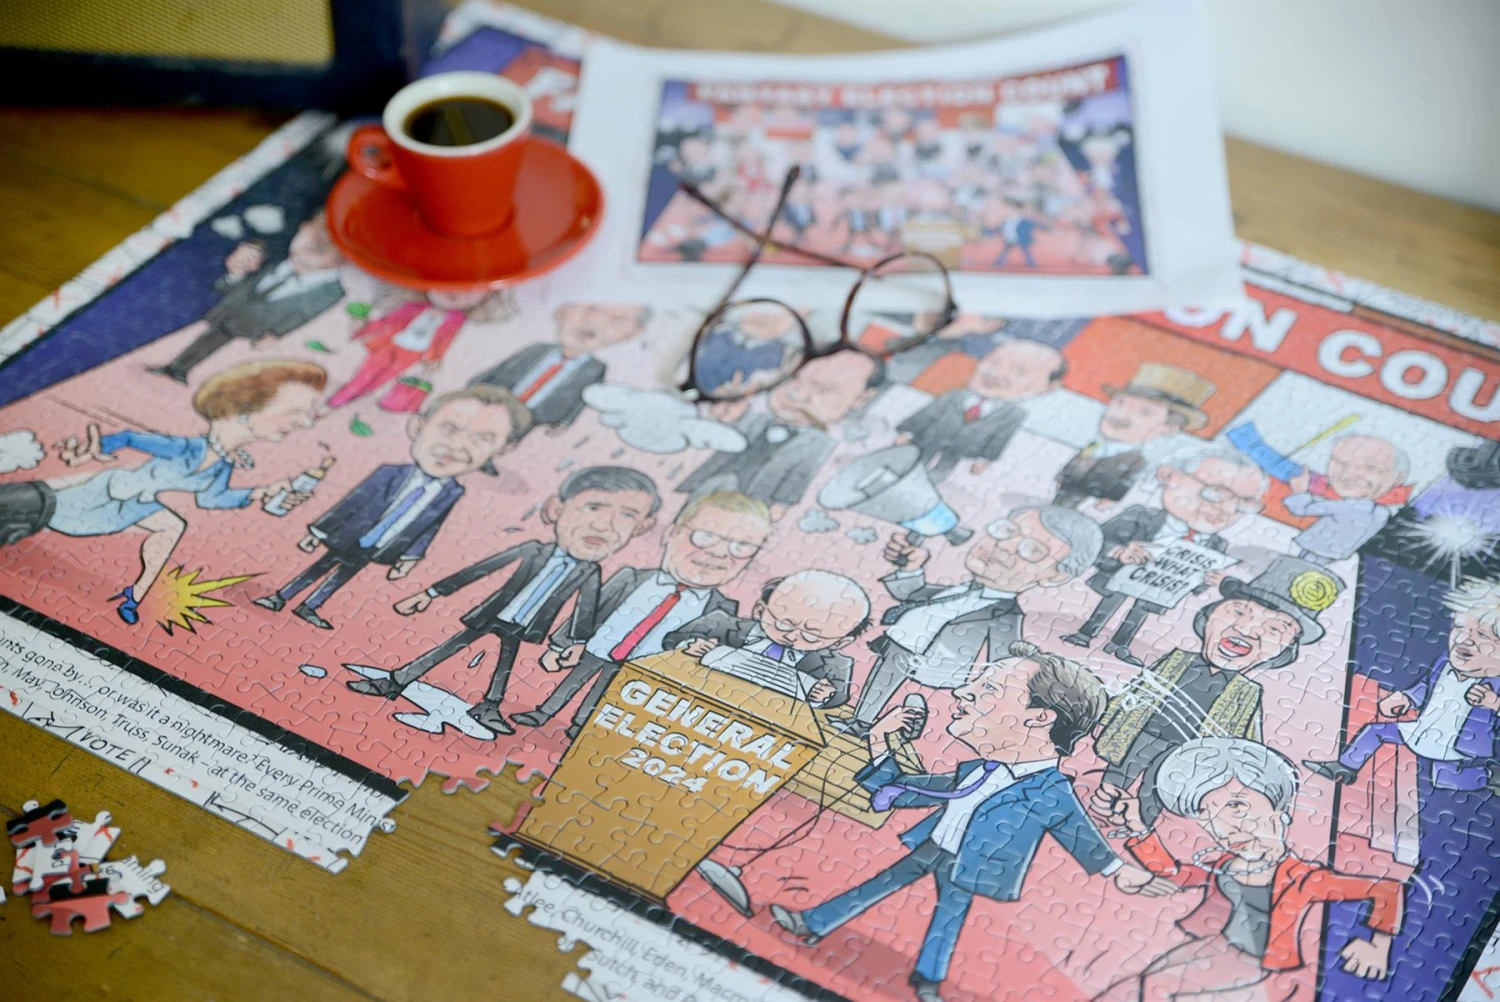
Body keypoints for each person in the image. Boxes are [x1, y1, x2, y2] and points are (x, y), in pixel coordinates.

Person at [771, 642, 1172, 1002]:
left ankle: (928, 981)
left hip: (974, 863)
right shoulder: (974, 769)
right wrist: (879, 740)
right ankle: (813, 923)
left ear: (1039, 717)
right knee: (881, 885)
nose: (963, 693)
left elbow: (1079, 834)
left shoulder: (1051, 790)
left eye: (989, 688)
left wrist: (1117, 870)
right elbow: (903, 790)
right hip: (934, 846)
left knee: (949, 917)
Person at [346, 466, 662, 737]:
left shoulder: (590, 572)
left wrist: (570, 645)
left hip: (526, 625)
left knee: (505, 663)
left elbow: (585, 612)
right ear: (556, 509)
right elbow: (479, 571)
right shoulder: (532, 550)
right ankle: (395, 681)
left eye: (627, 515)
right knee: (449, 647)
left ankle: (489, 707)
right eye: (593, 507)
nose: (603, 525)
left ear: (641, 528)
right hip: (493, 613)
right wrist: (430, 593)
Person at [1095, 739, 1403, 1001]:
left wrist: (1378, 946)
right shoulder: (1224, 864)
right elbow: (1176, 874)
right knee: (1140, 985)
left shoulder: (1303, 878)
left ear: (1277, 805)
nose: (1223, 827)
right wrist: (1137, 825)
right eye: (1207, 815)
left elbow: (1387, 889)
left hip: (1260, 961)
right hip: (1220, 944)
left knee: (1159, 990)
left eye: (1236, 805)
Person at [32, 359, 326, 624]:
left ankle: (134, 597)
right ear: (245, 410)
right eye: (296, 412)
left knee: (172, 527)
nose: (307, 422)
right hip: (110, 491)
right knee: (45, 511)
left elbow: (211, 498)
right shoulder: (187, 447)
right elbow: (129, 438)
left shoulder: (222, 465)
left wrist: (259, 493)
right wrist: (95, 448)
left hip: (138, 503)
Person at [1091, 555, 1343, 826]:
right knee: (1116, 775)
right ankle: (1101, 810)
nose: (1247, 630)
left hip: (1187, 755)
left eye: (1274, 628)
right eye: (1238, 612)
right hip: (1142, 734)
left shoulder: (1247, 691)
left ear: (1285, 649)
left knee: (1157, 791)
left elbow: (1246, 738)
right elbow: (1137, 691)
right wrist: (1108, 717)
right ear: (1209, 615)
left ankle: (1140, 824)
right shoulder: (1176, 658)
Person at [254, 385, 531, 629]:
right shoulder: (389, 472)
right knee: (319, 567)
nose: (457, 445)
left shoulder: (453, 492)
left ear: (503, 450)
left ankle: (310, 606)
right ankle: (281, 596)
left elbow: (430, 527)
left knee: (343, 576)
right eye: (449, 429)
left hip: (382, 546)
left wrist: (410, 557)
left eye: (482, 439)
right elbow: (351, 503)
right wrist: (318, 532)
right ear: (417, 426)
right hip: (349, 534)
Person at [511, 491, 772, 739]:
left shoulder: (723, 610)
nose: (718, 552)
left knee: (604, 694)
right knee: (572, 681)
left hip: (642, 670)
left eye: (742, 546)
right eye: (705, 536)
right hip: (598, 648)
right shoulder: (631, 577)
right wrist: (562, 644)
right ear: (671, 533)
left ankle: (580, 726)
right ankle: (543, 712)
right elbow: (589, 612)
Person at [836, 505, 1104, 737]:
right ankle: (861, 722)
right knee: (878, 685)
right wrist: (911, 569)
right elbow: (916, 595)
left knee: (930, 710)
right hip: (901, 643)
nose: (1004, 546)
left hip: (938, 666)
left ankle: (907, 725)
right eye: (1006, 531)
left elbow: (1004, 658)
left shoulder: (1007, 617)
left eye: (1032, 550)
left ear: (1057, 576)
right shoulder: (961, 589)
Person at [1062, 448, 1268, 665]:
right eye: (1215, 493)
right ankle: (1086, 633)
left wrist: (1207, 581)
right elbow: (1096, 540)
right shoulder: (1141, 515)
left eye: (1242, 505)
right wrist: (1118, 552)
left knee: (1140, 611)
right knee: (1111, 601)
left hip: (1159, 590)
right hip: (1120, 577)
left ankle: (1119, 644)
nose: (1226, 510)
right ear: (1170, 476)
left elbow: (1196, 584)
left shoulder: (1217, 544)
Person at [1304, 576, 1500, 792]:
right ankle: (1344, 768)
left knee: (1445, 778)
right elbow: (1426, 687)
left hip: (1457, 747)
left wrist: (1494, 703)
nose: (1464, 639)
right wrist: (1407, 697)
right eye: (1460, 627)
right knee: (1376, 731)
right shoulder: (1444, 661)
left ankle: (1491, 776)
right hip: (1421, 730)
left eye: (1482, 635)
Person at [678, 351, 885, 521]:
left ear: (861, 399)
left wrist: (781, 506)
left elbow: (800, 476)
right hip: (714, 485)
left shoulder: (825, 444)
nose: (799, 395)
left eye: (824, 390)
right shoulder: (753, 413)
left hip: (755, 505)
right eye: (795, 380)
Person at [149, 216, 345, 384]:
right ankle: (177, 367)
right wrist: (234, 273)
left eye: (336, 242)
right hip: (229, 309)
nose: (321, 241)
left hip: (254, 323)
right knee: (205, 339)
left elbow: (303, 315)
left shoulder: (332, 291)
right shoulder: (275, 253)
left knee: (217, 345)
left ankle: (180, 369)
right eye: (322, 229)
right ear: (304, 226)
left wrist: (277, 333)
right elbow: (237, 276)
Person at [663, 570, 871, 708]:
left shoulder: (836, 665)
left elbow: (838, 697)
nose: (792, 636)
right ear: (760, 609)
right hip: (691, 698)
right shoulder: (720, 622)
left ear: (840, 641)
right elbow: (674, 639)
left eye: (811, 636)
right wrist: (689, 646)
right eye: (784, 624)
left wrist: (822, 697)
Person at [896, 337, 1065, 483]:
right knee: (915, 460)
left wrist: (985, 459)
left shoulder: (1014, 415)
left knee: (943, 468)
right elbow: (928, 413)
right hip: (931, 438)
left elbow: (1000, 438)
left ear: (1049, 387)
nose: (998, 373)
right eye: (994, 363)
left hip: (962, 448)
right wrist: (907, 431)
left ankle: (931, 482)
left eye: (1019, 372)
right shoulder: (956, 395)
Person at [468, 304, 651, 435]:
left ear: (632, 333)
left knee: (511, 434)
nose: (596, 322)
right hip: (493, 399)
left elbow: (583, 398)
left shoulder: (596, 368)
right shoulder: (537, 348)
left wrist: (565, 422)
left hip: (536, 416)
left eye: (617, 320)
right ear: (562, 310)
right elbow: (503, 367)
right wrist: (474, 387)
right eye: (592, 309)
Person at [1054, 363, 1214, 509]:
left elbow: (1124, 484)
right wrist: (1061, 477)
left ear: (1168, 428)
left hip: (1090, 500)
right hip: (1067, 488)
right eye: (1119, 403)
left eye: (1145, 412)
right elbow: (1075, 462)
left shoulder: (1136, 460)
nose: (1122, 414)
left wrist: (1110, 500)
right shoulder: (1094, 445)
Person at [326, 289, 498, 410]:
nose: (456, 292)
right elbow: (388, 321)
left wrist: (435, 359)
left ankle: (346, 401)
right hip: (390, 345)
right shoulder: (412, 306)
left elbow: (444, 341)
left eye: (470, 291)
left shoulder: (456, 320)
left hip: (413, 355)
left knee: (380, 380)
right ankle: (334, 402)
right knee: (366, 374)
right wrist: (363, 329)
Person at [1284, 435, 1410, 565]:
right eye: (1340, 463)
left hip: (1320, 548)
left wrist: (1299, 491)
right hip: (1335, 552)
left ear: (1398, 478)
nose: (1348, 474)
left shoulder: (1352, 507)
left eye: (1370, 468)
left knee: (1300, 567)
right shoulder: (1382, 512)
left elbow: (1302, 509)